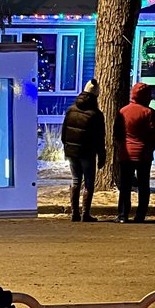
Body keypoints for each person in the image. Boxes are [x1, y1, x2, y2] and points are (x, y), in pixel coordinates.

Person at [60, 78, 106, 222]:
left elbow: (63, 133)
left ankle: (74, 213)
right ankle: (85, 213)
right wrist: (102, 155)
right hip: (87, 152)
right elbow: (100, 138)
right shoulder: (96, 114)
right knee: (88, 183)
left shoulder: (71, 110)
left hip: (72, 151)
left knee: (75, 181)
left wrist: (67, 146)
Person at [115, 82, 155, 223]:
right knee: (144, 185)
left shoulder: (123, 111)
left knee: (125, 186)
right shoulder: (148, 113)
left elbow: (117, 133)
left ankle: (123, 215)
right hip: (143, 155)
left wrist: (122, 147)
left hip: (126, 154)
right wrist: (149, 148)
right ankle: (140, 215)